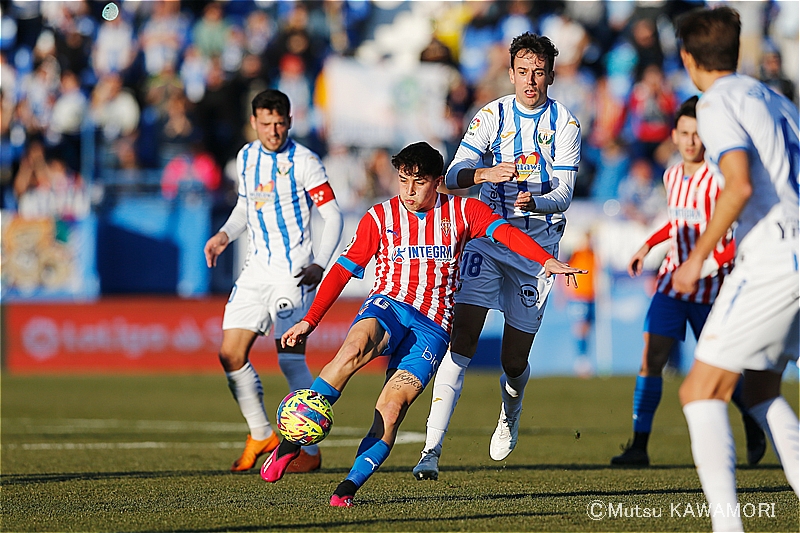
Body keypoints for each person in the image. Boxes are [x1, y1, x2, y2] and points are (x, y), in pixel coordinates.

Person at [260, 142, 586, 507]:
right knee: (352, 350)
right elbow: (341, 271)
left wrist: (546, 260)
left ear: (437, 182)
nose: (409, 191)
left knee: (393, 408)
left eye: (418, 182)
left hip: (432, 328)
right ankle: (291, 443)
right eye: (403, 181)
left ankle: (346, 490)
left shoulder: (464, 211)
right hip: (389, 306)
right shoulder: (379, 217)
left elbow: (506, 235)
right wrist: (310, 320)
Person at [413, 31, 582, 480]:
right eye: (523, 72)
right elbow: (452, 175)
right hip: (488, 238)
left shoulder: (565, 125)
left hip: (536, 248)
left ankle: (510, 413)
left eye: (539, 73)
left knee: (513, 360)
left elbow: (564, 193)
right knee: (462, 337)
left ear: (550, 75)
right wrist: (486, 171)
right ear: (510, 73)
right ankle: (431, 450)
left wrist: (536, 202)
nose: (530, 80)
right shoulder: (491, 115)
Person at [672, 8, 799, 532]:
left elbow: (739, 184)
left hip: (774, 253)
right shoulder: (778, 99)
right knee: (760, 390)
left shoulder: (717, 101)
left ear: (687, 57)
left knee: (699, 390)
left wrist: (696, 258)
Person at [610, 96, 766, 467]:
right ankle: (639, 446)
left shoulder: (720, 178)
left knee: (720, 369)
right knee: (652, 357)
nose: (691, 141)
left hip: (711, 289)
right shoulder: (671, 174)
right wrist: (647, 245)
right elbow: (678, 220)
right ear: (674, 136)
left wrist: (705, 266)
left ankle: (751, 417)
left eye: (697, 134)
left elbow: (734, 237)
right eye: (684, 133)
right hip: (670, 284)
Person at [203, 89, 343, 473]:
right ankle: (261, 432)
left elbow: (332, 215)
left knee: (289, 356)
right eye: (266, 123)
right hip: (255, 271)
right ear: (254, 123)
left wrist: (320, 263)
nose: (273, 130)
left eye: (280, 123)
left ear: (290, 121)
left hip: (293, 272)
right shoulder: (246, 157)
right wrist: (223, 236)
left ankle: (309, 453)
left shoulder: (304, 161)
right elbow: (244, 208)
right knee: (230, 353)